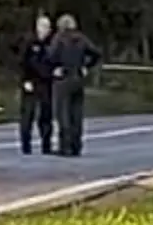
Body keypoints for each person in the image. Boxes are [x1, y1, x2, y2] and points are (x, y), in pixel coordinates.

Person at [48, 14, 101, 156]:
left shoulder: (59, 38)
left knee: (62, 113)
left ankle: (65, 146)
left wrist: (55, 68)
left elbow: (51, 56)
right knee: (76, 113)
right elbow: (96, 53)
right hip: (78, 77)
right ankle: (76, 144)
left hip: (64, 77)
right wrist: (86, 66)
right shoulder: (81, 38)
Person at [18, 14, 55, 154]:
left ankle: (47, 144)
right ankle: (25, 145)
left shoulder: (51, 44)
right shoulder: (29, 42)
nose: (46, 30)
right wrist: (25, 80)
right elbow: (22, 62)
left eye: (48, 27)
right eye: (43, 26)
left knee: (46, 114)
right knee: (28, 114)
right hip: (31, 82)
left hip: (46, 82)